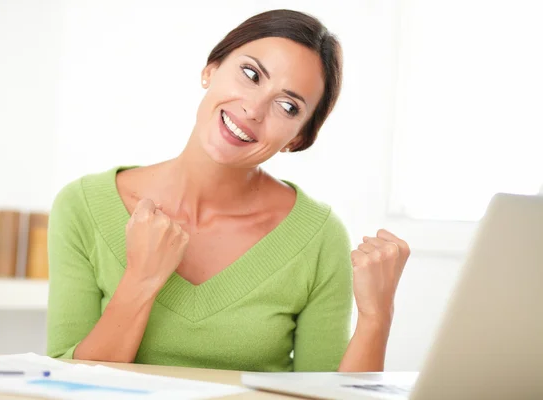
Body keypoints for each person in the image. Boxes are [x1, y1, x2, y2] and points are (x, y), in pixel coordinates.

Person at [46, 9, 410, 372]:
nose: (253, 109)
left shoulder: (318, 237)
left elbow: (327, 397)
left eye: (287, 106)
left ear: (297, 137)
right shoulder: (83, 205)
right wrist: (141, 278)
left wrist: (376, 317)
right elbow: (62, 381)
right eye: (251, 75)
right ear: (211, 69)